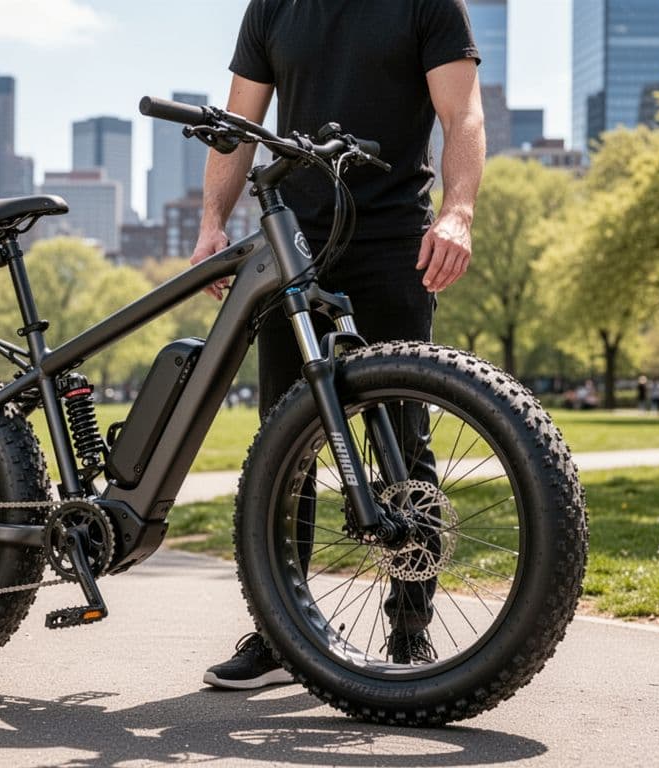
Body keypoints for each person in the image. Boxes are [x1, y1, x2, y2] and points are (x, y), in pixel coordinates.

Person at [190, 0, 485, 689]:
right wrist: (212, 223)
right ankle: (281, 633)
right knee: (281, 447)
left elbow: (461, 115)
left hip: (389, 242)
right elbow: (239, 125)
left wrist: (459, 213)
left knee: (402, 444)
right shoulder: (272, 7)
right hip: (290, 245)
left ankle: (410, 635)